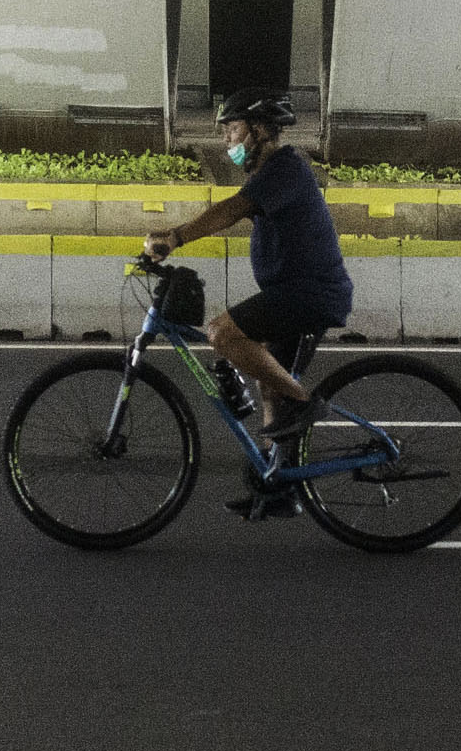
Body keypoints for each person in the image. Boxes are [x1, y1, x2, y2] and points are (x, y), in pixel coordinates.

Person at [143, 94, 354, 505]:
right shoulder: (273, 173)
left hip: (308, 295)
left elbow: (232, 209)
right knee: (269, 381)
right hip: (293, 294)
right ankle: (280, 485)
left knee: (222, 333)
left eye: (232, 130)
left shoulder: (285, 168)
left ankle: (305, 403)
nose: (226, 140)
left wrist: (176, 237)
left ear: (258, 131)